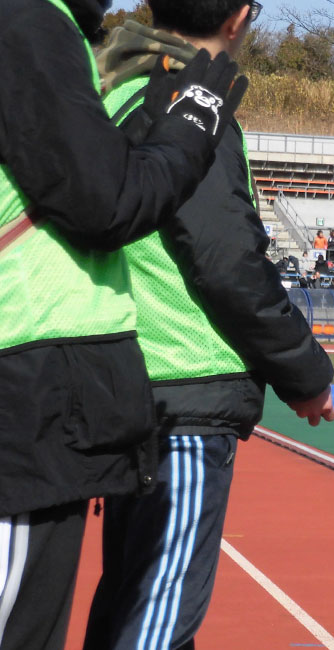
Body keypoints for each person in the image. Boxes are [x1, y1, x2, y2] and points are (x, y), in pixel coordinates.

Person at [83, 5, 334, 649]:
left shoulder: (120, 89)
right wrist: (304, 371)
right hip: (185, 391)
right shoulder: (191, 103)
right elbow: (226, 259)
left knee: (131, 597)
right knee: (158, 618)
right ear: (241, 15)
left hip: (133, 383)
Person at [0, 1, 247, 647]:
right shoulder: (30, 20)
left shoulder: (90, 60)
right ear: (241, 18)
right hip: (41, 370)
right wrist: (194, 120)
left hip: (86, 385)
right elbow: (112, 202)